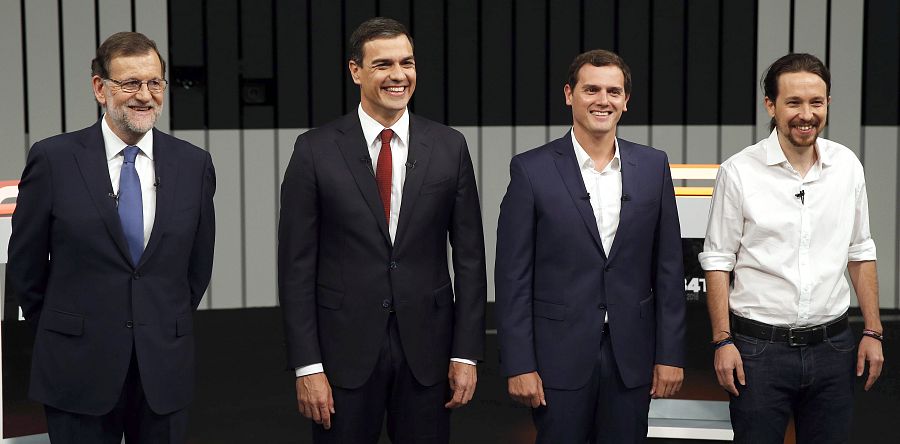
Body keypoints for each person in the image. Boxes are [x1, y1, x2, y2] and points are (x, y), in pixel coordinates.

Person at [278, 17, 486, 443]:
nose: (398, 75)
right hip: (341, 357)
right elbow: (296, 267)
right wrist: (307, 366)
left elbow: (470, 258)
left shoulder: (450, 146)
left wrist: (466, 353)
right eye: (383, 64)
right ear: (355, 71)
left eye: (406, 63)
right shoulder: (314, 149)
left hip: (428, 353)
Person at [7, 31, 215, 443]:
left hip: (162, 368)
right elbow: (26, 268)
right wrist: (66, 329)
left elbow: (196, 266)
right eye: (130, 83)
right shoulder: (54, 159)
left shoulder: (194, 164)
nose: (145, 95)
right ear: (100, 88)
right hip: (77, 369)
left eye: (155, 83)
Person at [495, 49, 686, 443]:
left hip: (631, 360)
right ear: (569, 94)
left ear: (626, 100)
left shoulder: (653, 166)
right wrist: (519, 363)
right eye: (591, 89)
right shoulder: (530, 169)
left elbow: (668, 269)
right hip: (555, 361)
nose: (603, 100)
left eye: (614, 91)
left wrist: (670, 355)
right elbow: (513, 276)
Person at [700, 53, 884, 443]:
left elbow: (860, 250)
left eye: (816, 102)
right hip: (757, 352)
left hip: (834, 349)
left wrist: (874, 330)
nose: (807, 114)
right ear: (772, 106)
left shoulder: (848, 166)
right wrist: (723, 341)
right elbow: (718, 261)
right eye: (793, 102)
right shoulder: (739, 171)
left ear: (828, 103)